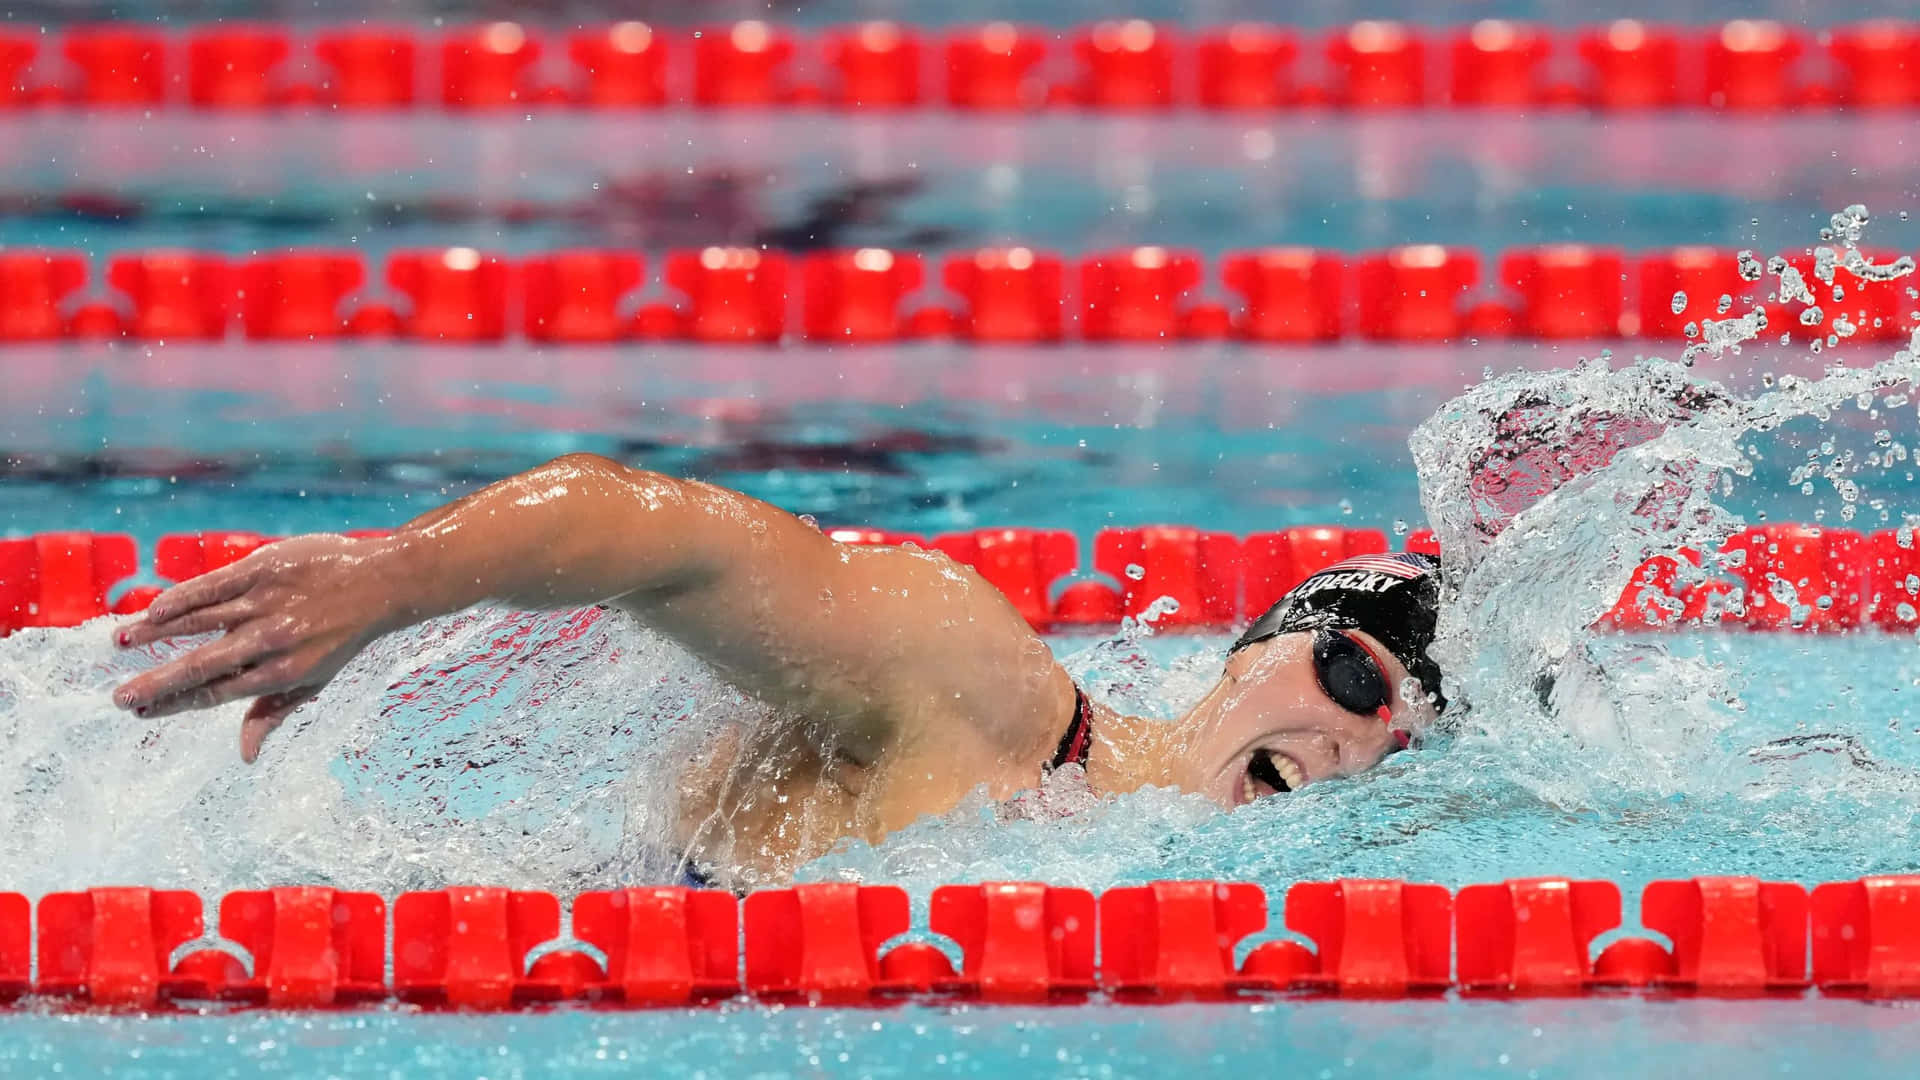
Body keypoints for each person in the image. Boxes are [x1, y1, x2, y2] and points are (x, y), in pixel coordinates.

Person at [109, 453, 1446, 888]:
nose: (1363, 740)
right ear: (1255, 650)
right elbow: (664, 537)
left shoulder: (1176, 886)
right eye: (1355, 679)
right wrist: (386, 585)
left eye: (1408, 741)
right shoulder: (985, 690)